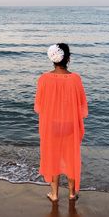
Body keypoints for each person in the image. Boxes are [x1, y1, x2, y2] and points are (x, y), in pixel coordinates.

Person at [34, 43, 88, 202]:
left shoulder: (44, 79)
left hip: (52, 126)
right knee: (71, 157)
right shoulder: (75, 79)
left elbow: (38, 107)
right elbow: (82, 106)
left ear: (52, 59)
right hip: (70, 125)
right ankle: (72, 194)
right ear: (68, 58)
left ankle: (54, 194)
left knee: (53, 157)